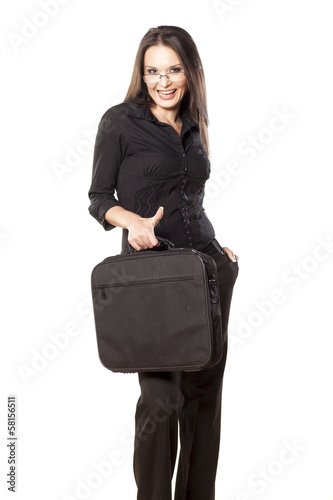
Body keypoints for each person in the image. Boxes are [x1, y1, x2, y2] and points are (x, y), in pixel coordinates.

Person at [88, 25, 239, 500]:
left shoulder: (194, 123)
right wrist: (130, 221)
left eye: (173, 70)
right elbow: (98, 198)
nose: (163, 81)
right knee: (160, 400)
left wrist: (217, 245)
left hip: (207, 273)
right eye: (153, 71)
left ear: (190, 73)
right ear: (142, 74)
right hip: (152, 279)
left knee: (202, 399)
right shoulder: (119, 122)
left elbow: (188, 196)